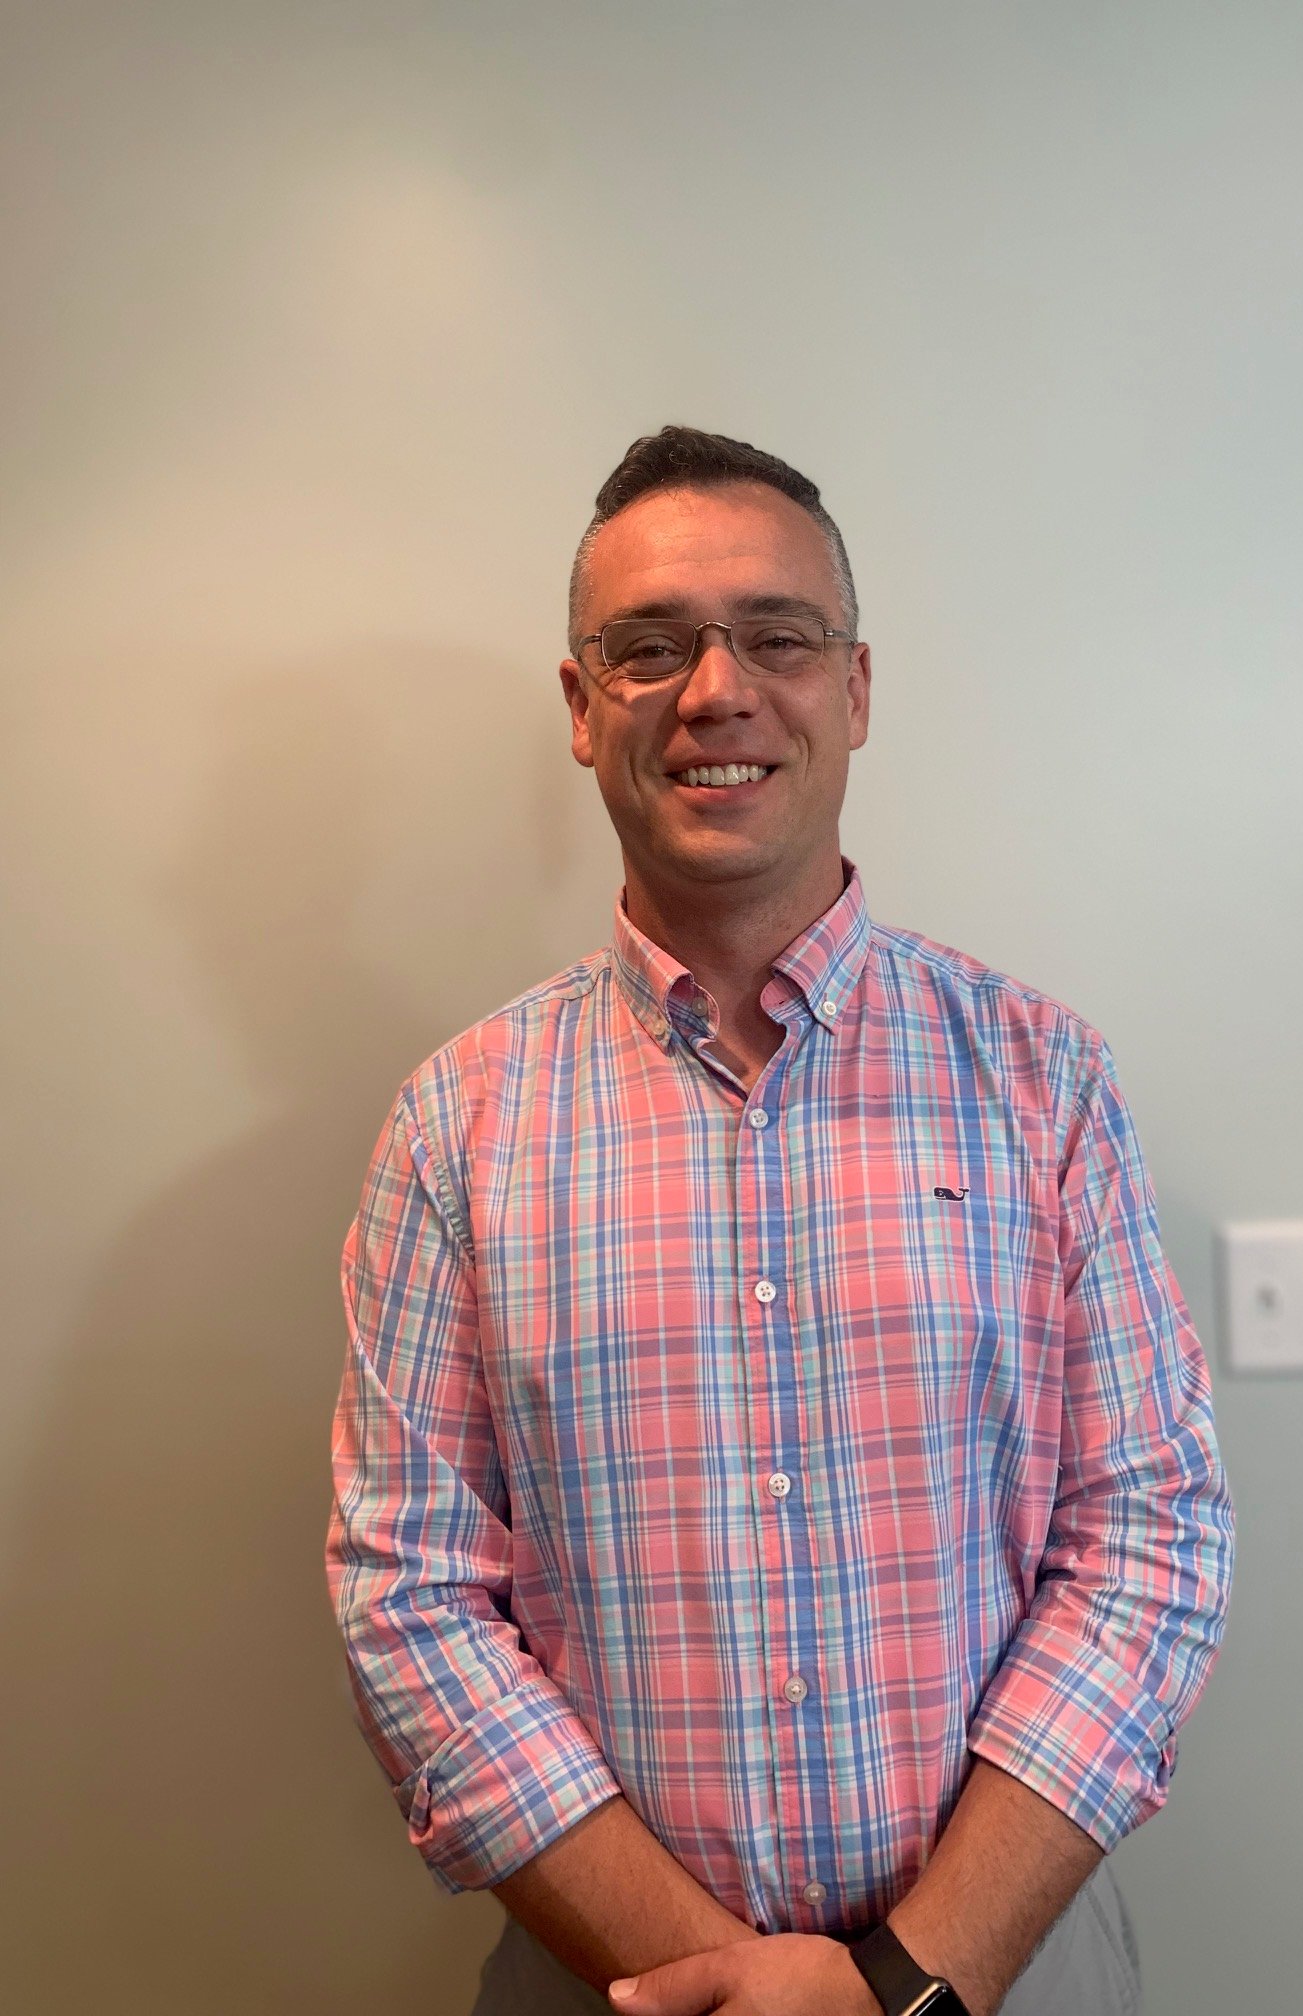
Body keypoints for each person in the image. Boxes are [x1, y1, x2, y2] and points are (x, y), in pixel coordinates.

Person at [326, 425, 1235, 2016]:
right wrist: (715, 1983)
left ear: (856, 689)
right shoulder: (455, 1129)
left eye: (777, 637)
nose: (715, 691)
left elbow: (1151, 1543)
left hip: (1001, 1976)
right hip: (613, 1986)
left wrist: (907, 1985)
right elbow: (410, 1597)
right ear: (580, 707)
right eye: (650, 648)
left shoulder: (1046, 1082)